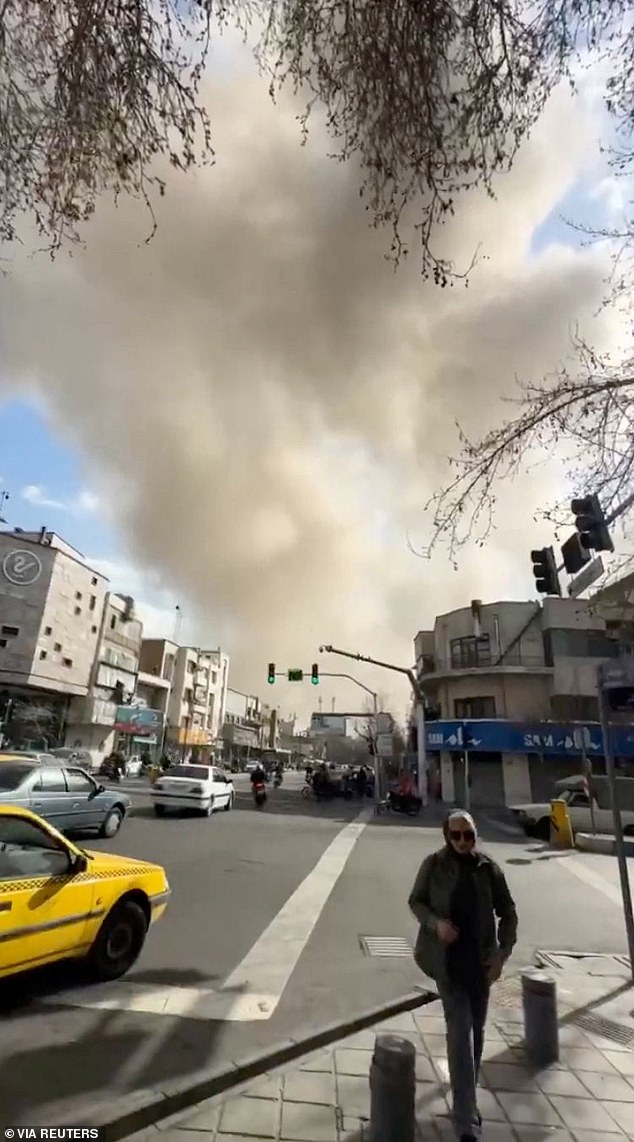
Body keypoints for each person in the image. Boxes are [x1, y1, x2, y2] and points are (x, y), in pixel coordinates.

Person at [408, 811, 517, 1142]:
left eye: (468, 835)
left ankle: (466, 1099)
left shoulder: (488, 869)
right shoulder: (434, 865)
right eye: (456, 835)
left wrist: (502, 954)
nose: (462, 842)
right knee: (459, 1035)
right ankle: (465, 1119)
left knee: (476, 1034)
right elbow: (416, 901)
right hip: (447, 965)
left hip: (480, 967)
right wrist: (436, 925)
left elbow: (508, 912)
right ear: (446, 836)